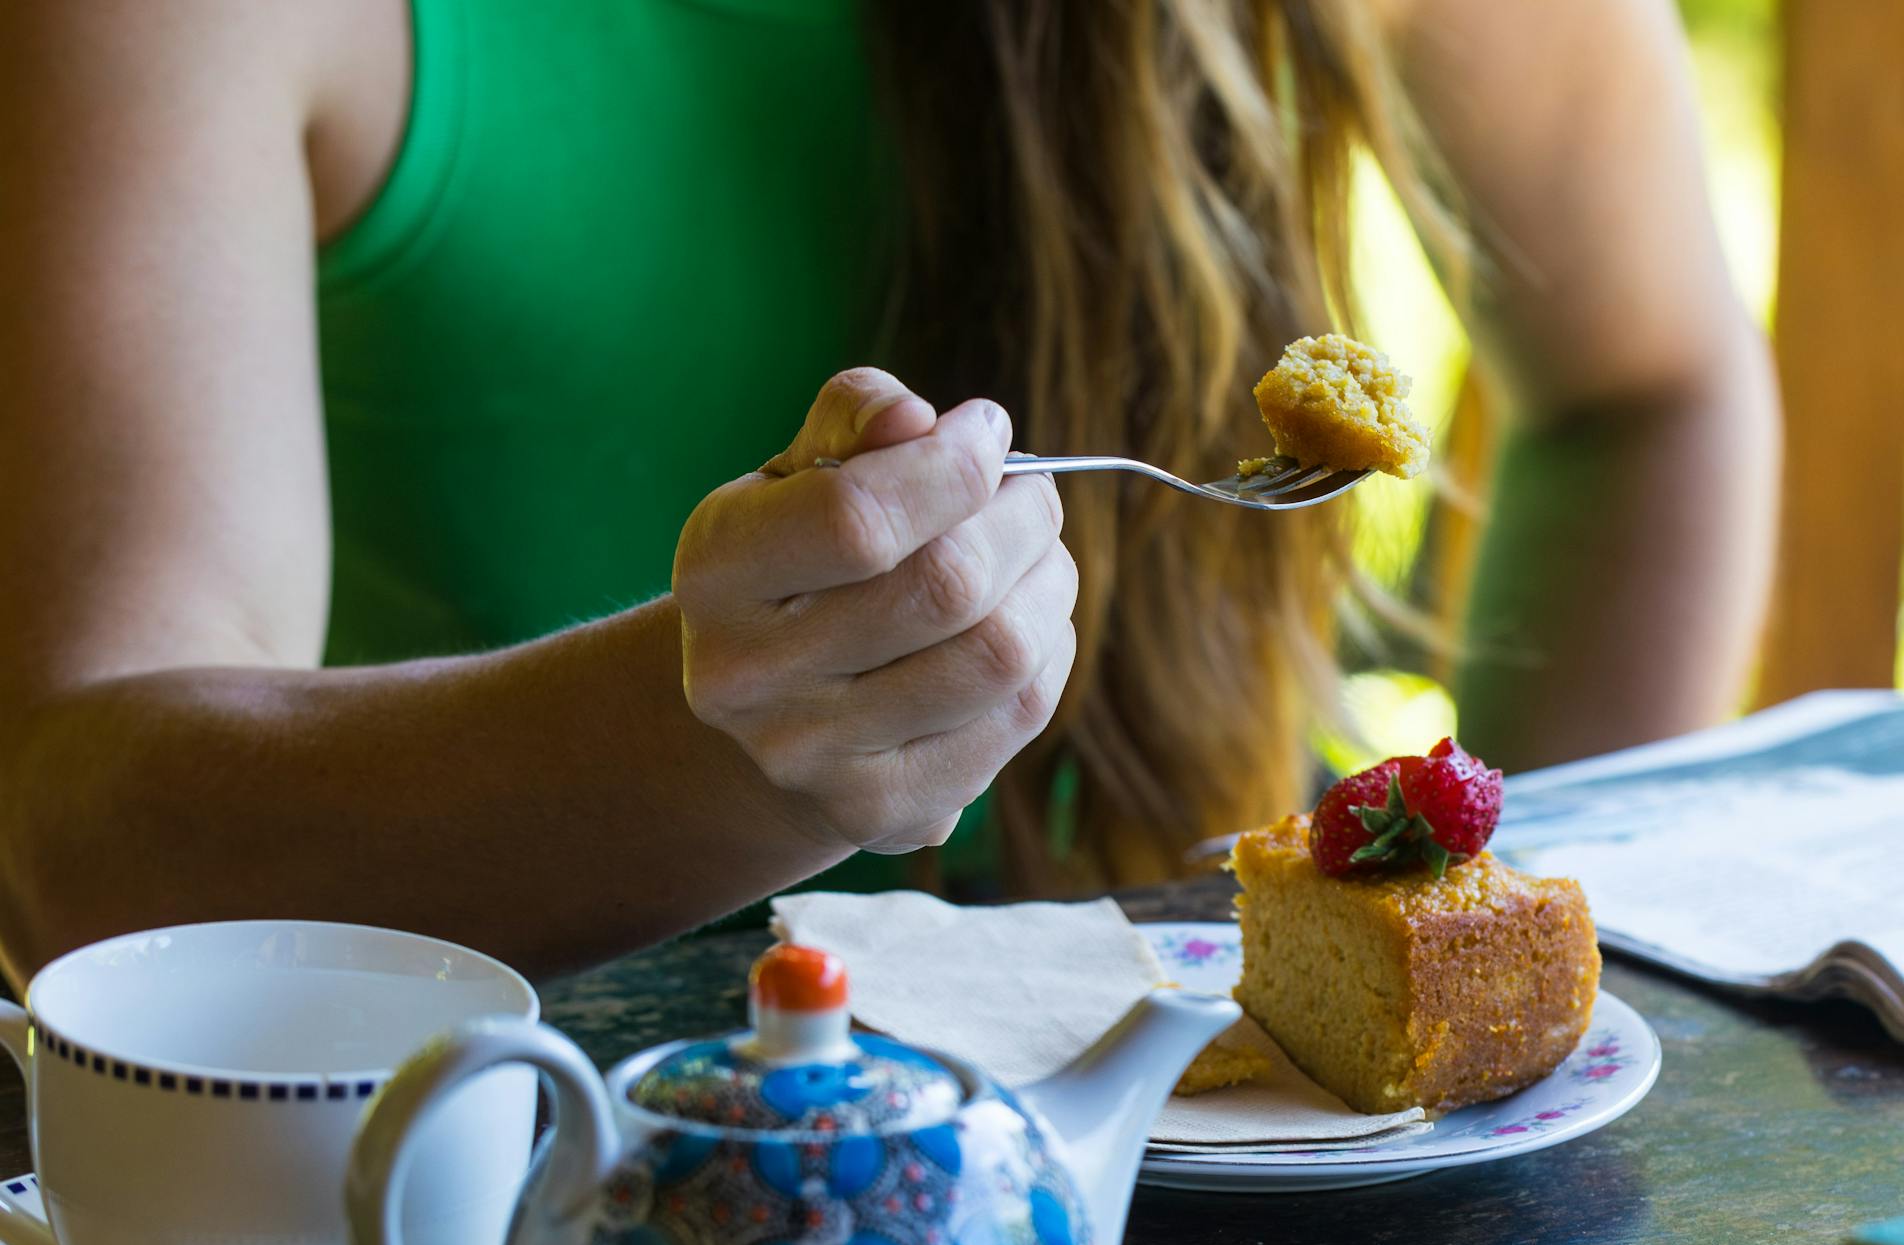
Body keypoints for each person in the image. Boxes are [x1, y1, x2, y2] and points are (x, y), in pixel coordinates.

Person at [0, 0, 1777, 988]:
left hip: (1205, 1216)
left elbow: (1648, 397)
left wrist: (1473, 959)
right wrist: (721, 737)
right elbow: (79, 830)